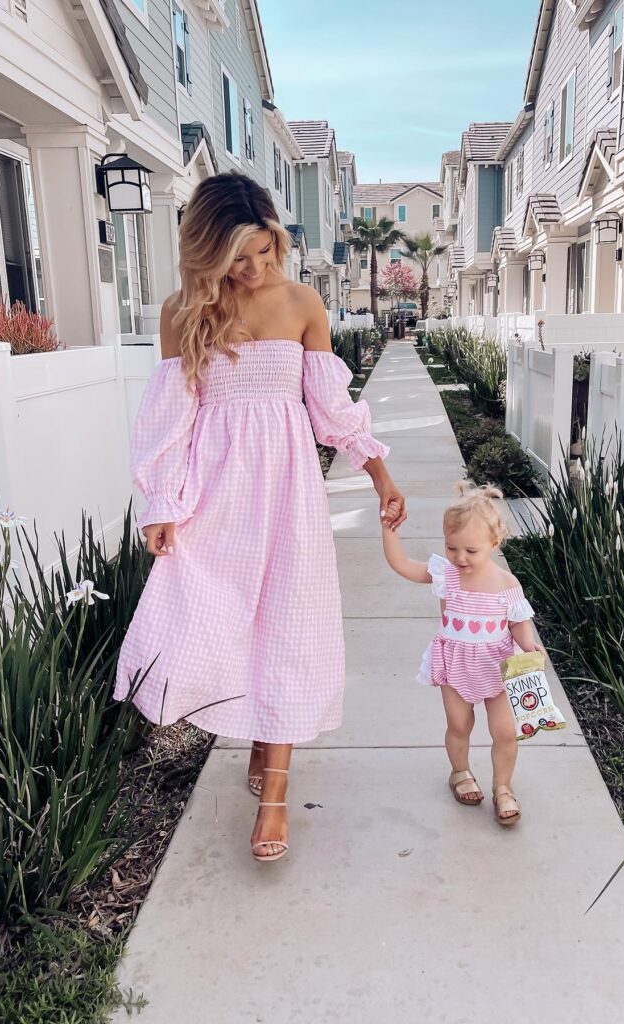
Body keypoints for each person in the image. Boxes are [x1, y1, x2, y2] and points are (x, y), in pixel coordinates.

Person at [115, 173, 406, 862]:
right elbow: (168, 422)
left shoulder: (301, 303)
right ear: (207, 253)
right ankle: (253, 730)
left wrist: (380, 475)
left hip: (286, 496)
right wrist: (161, 504)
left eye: (262, 250)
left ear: (276, 236)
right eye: (236, 258)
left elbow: (332, 412)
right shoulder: (183, 312)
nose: (252, 269)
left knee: (286, 625)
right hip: (212, 498)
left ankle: (275, 792)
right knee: (211, 622)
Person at [381, 484, 539, 825]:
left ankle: (503, 787)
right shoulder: (446, 575)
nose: (460, 557)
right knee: (459, 723)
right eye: (451, 547)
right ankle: (460, 771)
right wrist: (389, 532)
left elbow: (519, 623)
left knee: (505, 731)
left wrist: (528, 645)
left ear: (495, 545)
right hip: (455, 665)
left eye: (471, 550)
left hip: (496, 668)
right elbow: (403, 565)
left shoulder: (506, 584)